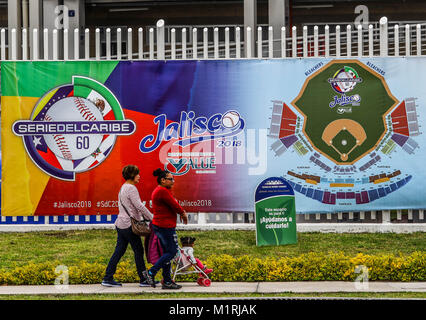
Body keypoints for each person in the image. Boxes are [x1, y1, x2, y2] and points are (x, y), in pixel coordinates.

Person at [102, 165, 154, 288]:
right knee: (138, 251)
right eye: (137, 174)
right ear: (132, 175)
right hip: (129, 225)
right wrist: (153, 218)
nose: (139, 176)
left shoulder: (123, 188)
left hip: (120, 224)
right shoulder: (131, 188)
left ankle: (108, 277)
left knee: (119, 251)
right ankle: (144, 279)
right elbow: (139, 206)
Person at [145, 168, 188, 289]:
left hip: (162, 225)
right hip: (164, 226)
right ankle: (151, 272)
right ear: (163, 180)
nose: (173, 181)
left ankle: (167, 281)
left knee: (166, 253)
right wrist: (183, 214)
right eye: (170, 179)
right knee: (172, 251)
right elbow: (175, 205)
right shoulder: (162, 191)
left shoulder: (162, 190)